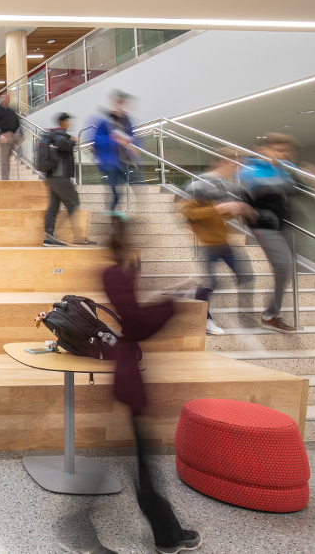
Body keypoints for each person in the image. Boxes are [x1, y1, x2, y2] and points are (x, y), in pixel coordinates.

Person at [102, 218, 203, 554]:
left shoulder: (116, 274)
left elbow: (131, 315)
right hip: (129, 375)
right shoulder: (114, 275)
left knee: (144, 464)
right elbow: (135, 323)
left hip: (129, 372)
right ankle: (167, 535)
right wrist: (169, 306)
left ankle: (167, 532)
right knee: (145, 467)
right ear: (126, 245)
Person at [180, 150, 255, 335]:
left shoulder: (222, 185)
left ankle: (246, 317)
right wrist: (218, 209)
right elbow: (188, 212)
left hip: (222, 241)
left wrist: (235, 209)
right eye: (233, 164)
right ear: (221, 162)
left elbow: (220, 213)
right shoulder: (197, 184)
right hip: (207, 243)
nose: (236, 169)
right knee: (211, 282)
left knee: (244, 274)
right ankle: (203, 318)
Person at [239, 133, 300, 333]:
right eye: (280, 150)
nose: (284, 155)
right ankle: (270, 315)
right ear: (265, 149)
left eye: (286, 151)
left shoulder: (282, 168)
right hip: (263, 226)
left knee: (288, 269)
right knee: (283, 266)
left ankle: (271, 313)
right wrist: (275, 168)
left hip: (284, 224)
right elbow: (254, 190)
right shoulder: (251, 169)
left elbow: (296, 186)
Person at [42, 113, 93, 247]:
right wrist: (72, 141)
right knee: (73, 203)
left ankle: (49, 236)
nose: (69, 124)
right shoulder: (60, 134)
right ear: (62, 122)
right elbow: (62, 144)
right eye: (67, 121)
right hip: (60, 176)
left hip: (52, 176)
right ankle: (78, 236)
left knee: (53, 207)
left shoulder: (52, 134)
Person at [91, 90, 137, 213]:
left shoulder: (126, 120)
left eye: (123, 102)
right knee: (113, 189)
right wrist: (115, 140)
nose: (120, 105)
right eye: (118, 102)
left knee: (121, 189)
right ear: (113, 102)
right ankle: (111, 213)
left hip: (122, 160)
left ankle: (113, 213)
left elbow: (131, 136)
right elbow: (97, 140)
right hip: (108, 161)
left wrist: (130, 144)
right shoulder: (105, 120)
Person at [0, 92, 22, 181]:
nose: (7, 102)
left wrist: (19, 136)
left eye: (8, 100)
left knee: (8, 159)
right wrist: (3, 135)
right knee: (4, 161)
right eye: (5, 100)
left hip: (12, 136)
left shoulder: (11, 112)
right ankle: (5, 179)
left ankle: (6, 179)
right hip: (4, 137)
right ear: (2, 100)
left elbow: (17, 124)